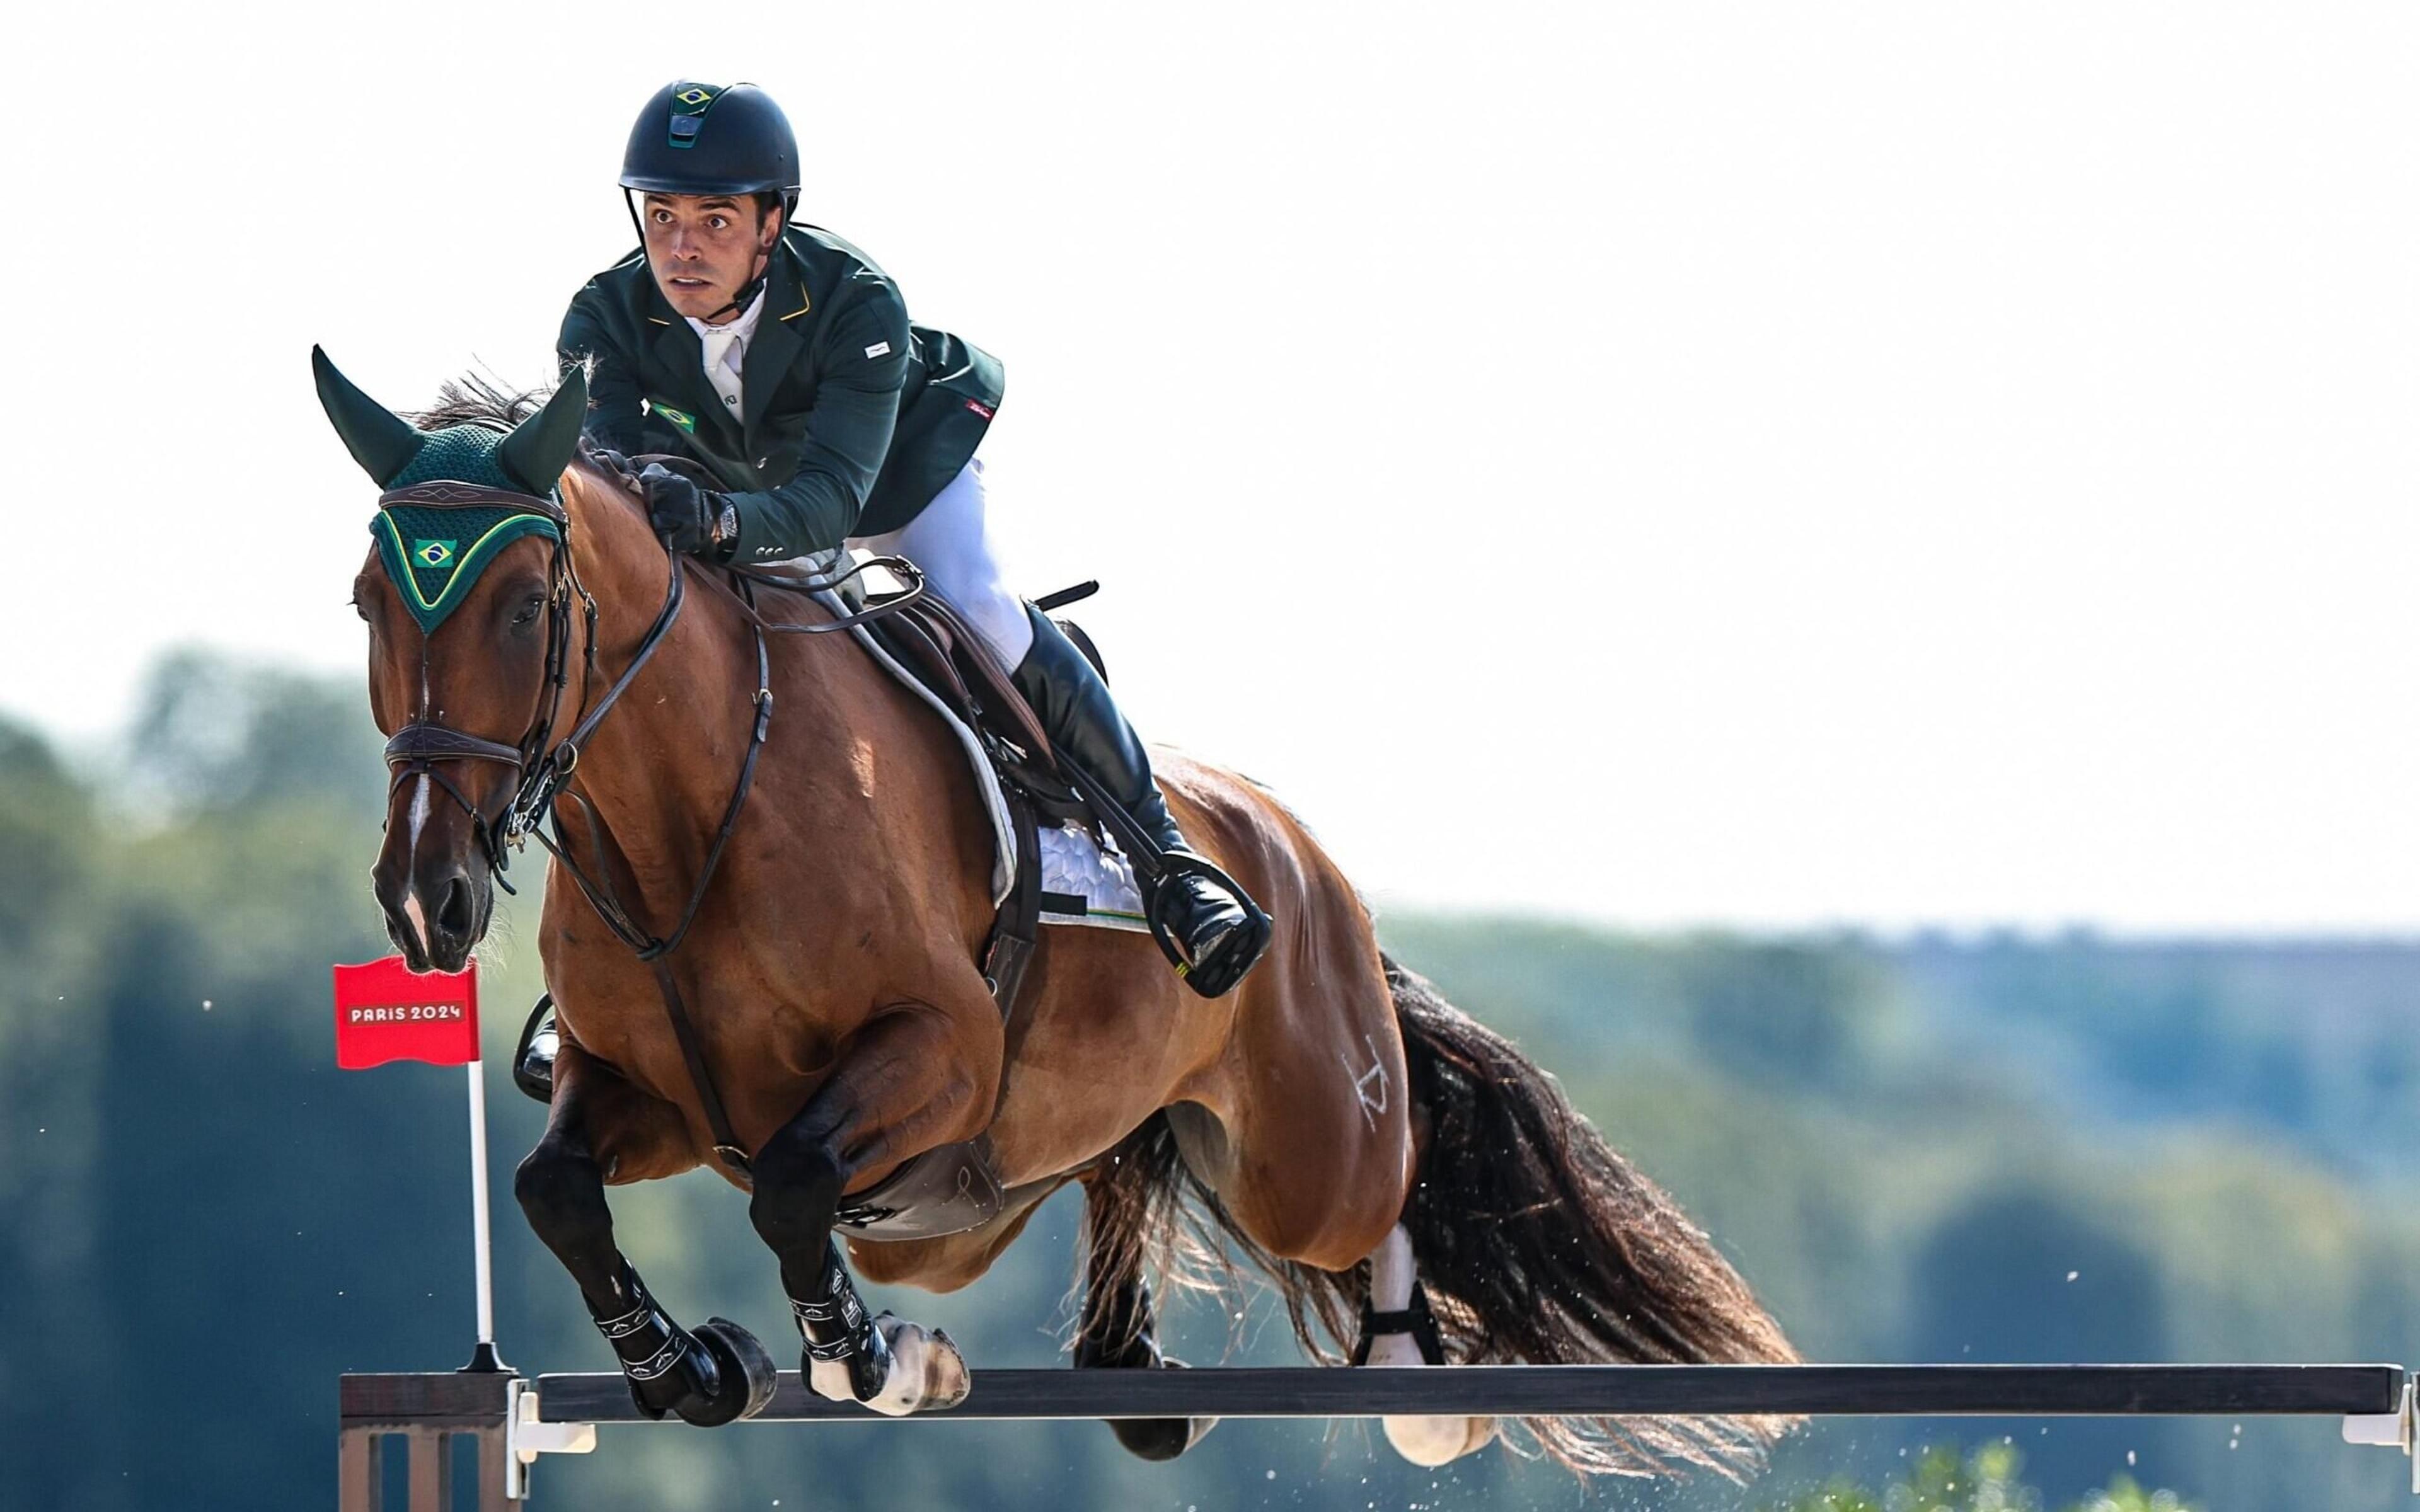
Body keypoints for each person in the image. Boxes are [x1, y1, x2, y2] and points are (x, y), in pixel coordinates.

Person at [554, 80, 1269, 1002]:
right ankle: (612, 958)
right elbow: (615, 488)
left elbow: (827, 503)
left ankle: (1167, 862)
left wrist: (724, 521)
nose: (682, 248)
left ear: (772, 224)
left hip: (894, 472)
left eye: (715, 220)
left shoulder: (856, 302)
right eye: (662, 216)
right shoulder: (603, 313)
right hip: (733, 488)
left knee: (974, 604)